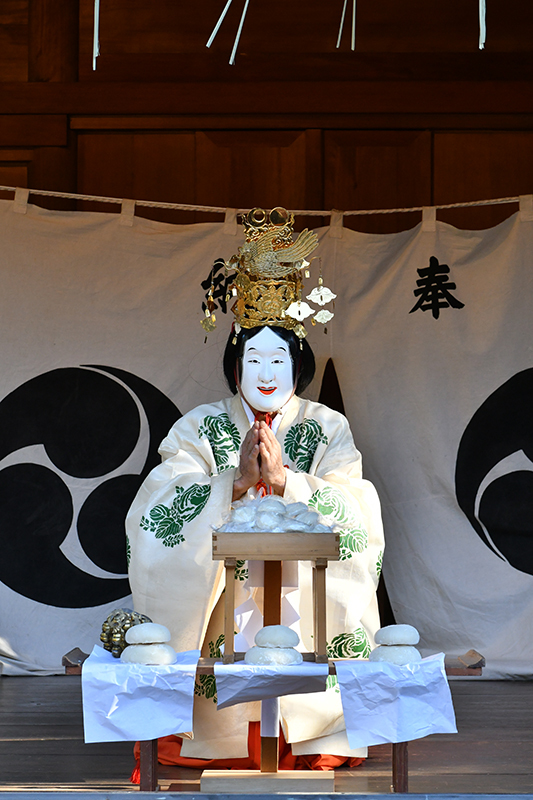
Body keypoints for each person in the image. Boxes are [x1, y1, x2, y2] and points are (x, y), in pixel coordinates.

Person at [126, 208, 384, 772]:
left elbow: (357, 509)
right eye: (252, 357)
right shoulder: (200, 426)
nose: (266, 372)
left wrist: (289, 482)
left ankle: (311, 730)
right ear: (234, 364)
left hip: (302, 595)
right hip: (224, 603)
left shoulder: (326, 426)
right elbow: (158, 506)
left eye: (279, 358)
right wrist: (233, 483)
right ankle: (213, 731)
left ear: (299, 363)